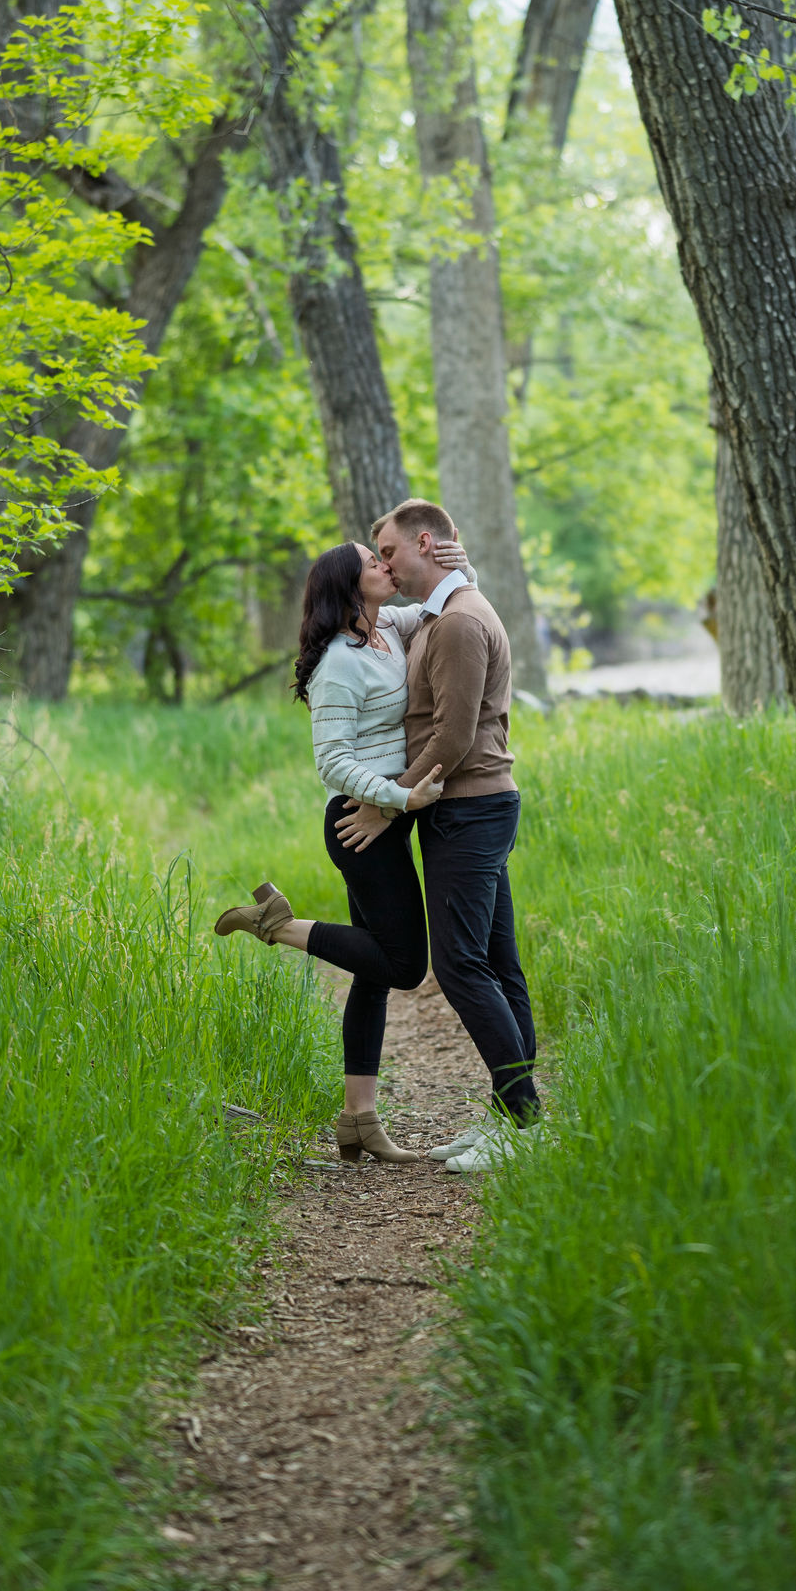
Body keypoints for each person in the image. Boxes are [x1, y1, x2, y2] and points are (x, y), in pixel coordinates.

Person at [211, 533, 470, 1165]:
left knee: (372, 976)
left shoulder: (392, 629)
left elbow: (449, 599)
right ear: (348, 587)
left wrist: (455, 560)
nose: (386, 566)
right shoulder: (338, 664)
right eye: (372, 563)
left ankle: (359, 1122)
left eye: (384, 558)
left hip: (386, 818)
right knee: (405, 965)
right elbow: (332, 761)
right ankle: (276, 926)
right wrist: (399, 800)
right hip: (359, 827)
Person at [335, 498, 540, 1174]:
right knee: (497, 963)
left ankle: (525, 1120)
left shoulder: (455, 624)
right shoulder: (440, 614)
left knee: (461, 967)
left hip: (469, 810)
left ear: (425, 541)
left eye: (390, 552)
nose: (385, 566)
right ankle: (513, 1117)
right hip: (468, 809)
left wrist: (386, 808)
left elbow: (452, 737)